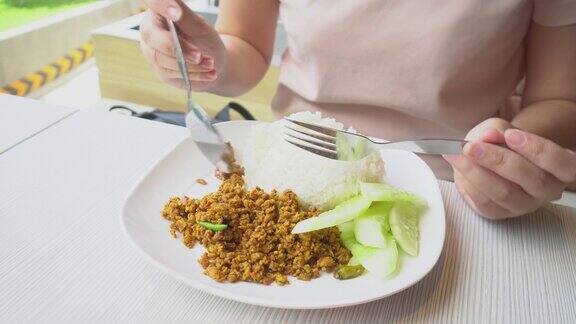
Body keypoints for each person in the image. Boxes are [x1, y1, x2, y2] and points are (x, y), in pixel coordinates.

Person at [139, 0, 576, 220]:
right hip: (290, 172)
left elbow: (558, 100)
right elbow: (246, 48)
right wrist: (205, 58)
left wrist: (511, 154)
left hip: (457, 189)